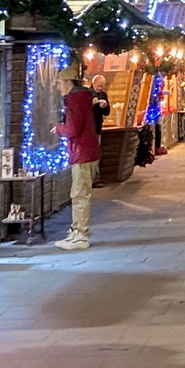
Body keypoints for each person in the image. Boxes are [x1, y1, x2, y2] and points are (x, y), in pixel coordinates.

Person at [55, 72, 101, 251]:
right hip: (86, 151)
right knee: (78, 193)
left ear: (67, 82)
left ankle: (80, 234)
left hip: (82, 152)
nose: (58, 87)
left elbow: (73, 129)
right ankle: (76, 231)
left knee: (79, 194)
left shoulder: (75, 99)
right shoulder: (82, 97)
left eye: (59, 83)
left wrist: (59, 128)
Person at [89, 71, 112, 140]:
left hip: (97, 127)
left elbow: (107, 113)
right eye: (98, 86)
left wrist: (105, 107)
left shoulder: (103, 95)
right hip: (87, 127)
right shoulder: (86, 93)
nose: (100, 88)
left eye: (102, 86)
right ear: (93, 84)